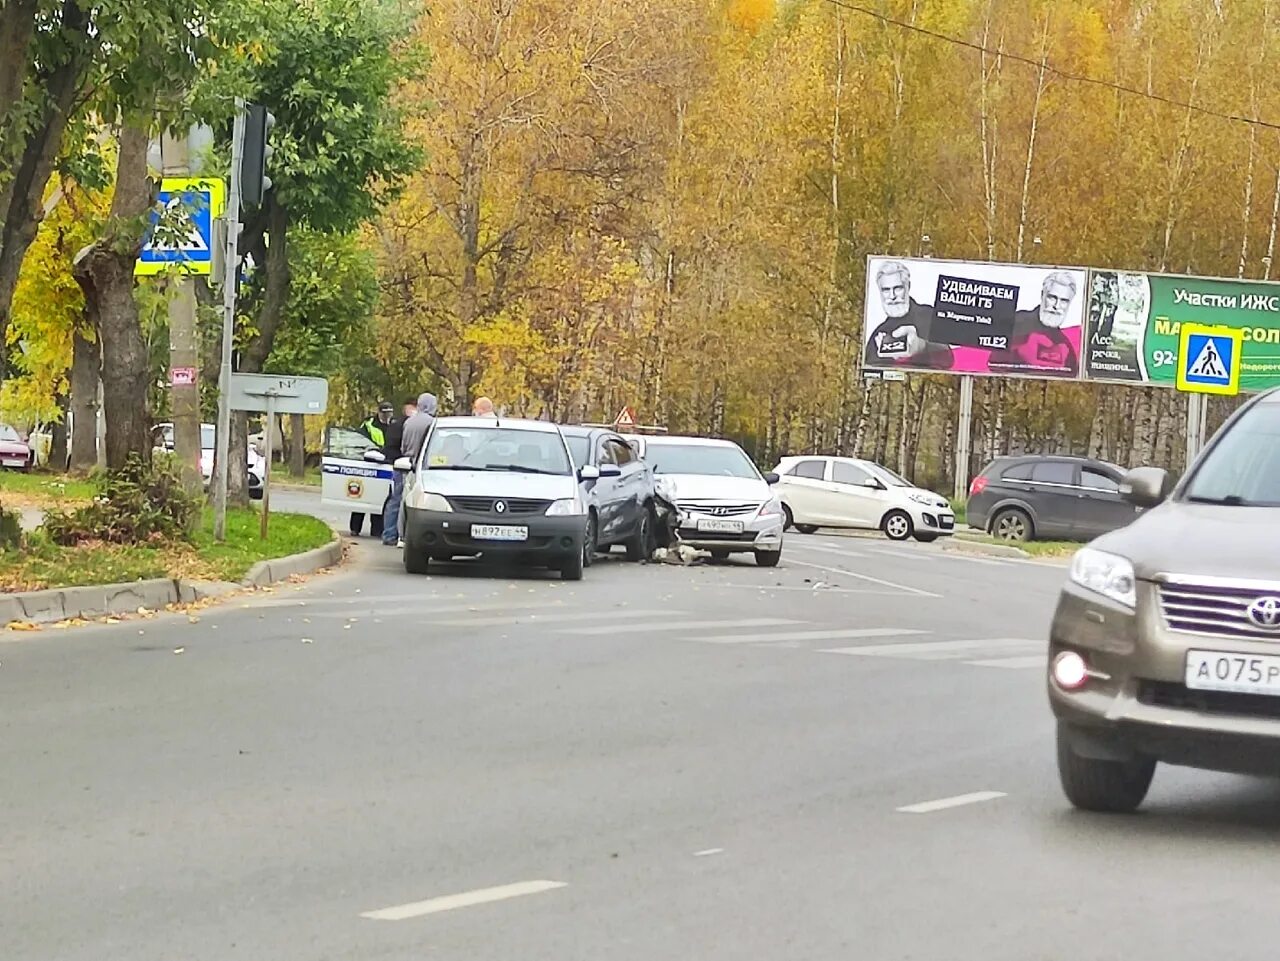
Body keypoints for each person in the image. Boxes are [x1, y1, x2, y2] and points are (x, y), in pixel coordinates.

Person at [988, 271, 1081, 377]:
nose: (1057, 305)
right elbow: (993, 363)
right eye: (1052, 297)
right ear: (1042, 295)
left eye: (1064, 301)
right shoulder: (1017, 322)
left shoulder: (1065, 347)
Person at [865, 261, 954, 370]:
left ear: (908, 287)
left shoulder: (930, 315)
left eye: (898, 288)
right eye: (886, 290)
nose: (892, 296)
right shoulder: (878, 334)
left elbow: (948, 359)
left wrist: (921, 347)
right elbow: (872, 375)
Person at [397, 393, 438, 545]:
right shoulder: (433, 423)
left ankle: (401, 535)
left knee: (404, 500)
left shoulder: (409, 422)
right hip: (425, 466)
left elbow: (403, 446)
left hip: (408, 464)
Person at [349, 404, 392, 538]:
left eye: (389, 413)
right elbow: (359, 442)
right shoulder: (368, 425)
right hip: (367, 463)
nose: (387, 416)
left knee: (379, 498)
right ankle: (355, 528)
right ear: (378, 413)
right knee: (361, 498)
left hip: (383, 464)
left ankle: (377, 530)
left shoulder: (393, 425)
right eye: (384, 413)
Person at [380, 400, 410, 547]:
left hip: (395, 464)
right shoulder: (404, 424)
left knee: (395, 500)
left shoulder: (397, 424)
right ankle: (393, 534)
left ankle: (390, 533)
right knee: (397, 500)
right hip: (401, 465)